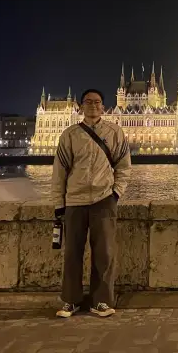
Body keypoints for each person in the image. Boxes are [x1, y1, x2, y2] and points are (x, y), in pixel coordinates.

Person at [51, 88, 131, 318]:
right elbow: (59, 172)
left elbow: (124, 167)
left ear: (103, 107)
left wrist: (115, 194)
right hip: (75, 200)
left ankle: (102, 302)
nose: (93, 106)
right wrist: (59, 203)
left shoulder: (115, 132)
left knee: (104, 254)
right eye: (88, 102)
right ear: (81, 106)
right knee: (72, 253)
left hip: (104, 200)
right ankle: (70, 301)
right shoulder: (70, 134)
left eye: (97, 102)